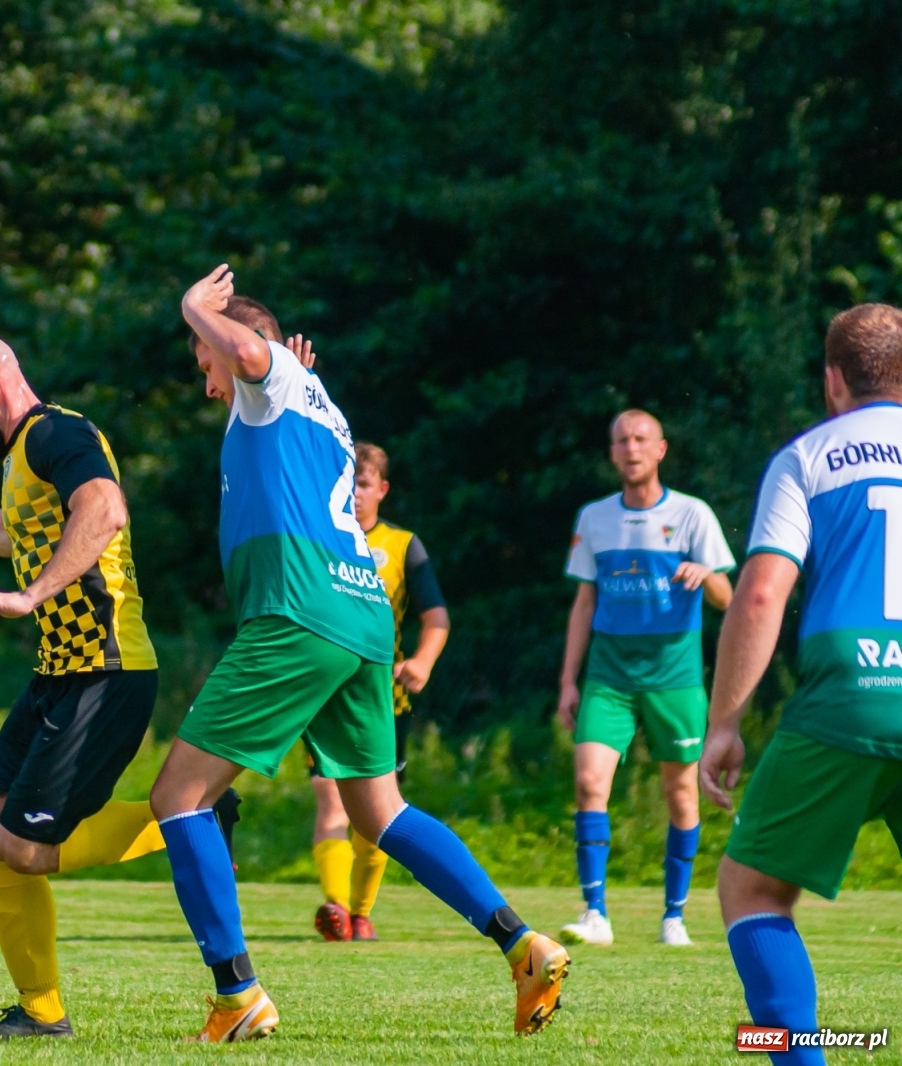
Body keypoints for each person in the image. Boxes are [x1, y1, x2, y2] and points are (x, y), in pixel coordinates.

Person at [149, 265, 568, 1043]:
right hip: (364, 619)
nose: (204, 379)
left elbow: (248, 359)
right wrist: (273, 366)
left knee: (179, 797)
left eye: (199, 358)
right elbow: (262, 377)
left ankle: (236, 993)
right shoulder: (316, 401)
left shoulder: (267, 377)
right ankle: (523, 943)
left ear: (242, 338)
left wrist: (193, 308)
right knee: (380, 812)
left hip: (299, 613)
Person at [0, 333, 237, 1040]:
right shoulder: (24, 453)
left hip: (105, 676)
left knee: (24, 847)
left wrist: (30, 597)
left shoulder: (60, 433)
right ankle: (39, 1014)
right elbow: (23, 526)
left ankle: (190, 820)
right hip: (58, 674)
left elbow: (105, 509)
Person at [701, 303, 902, 1065]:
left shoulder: (809, 456)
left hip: (849, 690)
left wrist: (726, 722)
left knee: (752, 892)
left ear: (832, 382)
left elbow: (759, 595)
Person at [557, 410, 735, 947]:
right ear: (612, 453)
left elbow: (730, 599)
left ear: (660, 450)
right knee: (589, 783)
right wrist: (568, 680)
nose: (631, 448)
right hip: (609, 677)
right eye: (621, 440)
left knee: (680, 793)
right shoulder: (593, 518)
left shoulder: (692, 514)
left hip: (674, 678)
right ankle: (595, 914)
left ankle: (673, 916)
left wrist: (706, 576)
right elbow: (584, 601)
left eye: (641, 439)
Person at [311, 442, 450, 943]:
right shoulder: (321, 537)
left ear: (382, 490)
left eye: (363, 484)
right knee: (330, 800)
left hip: (384, 698)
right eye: (346, 483)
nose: (353, 494)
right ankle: (336, 907)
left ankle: (362, 911)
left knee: (376, 810)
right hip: (324, 691)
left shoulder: (403, 545)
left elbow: (436, 617)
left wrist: (422, 662)